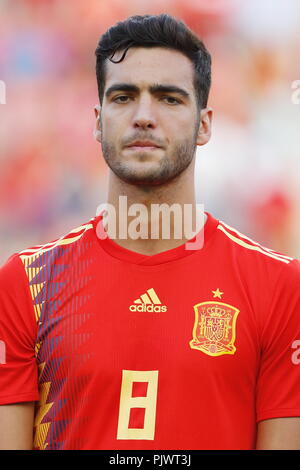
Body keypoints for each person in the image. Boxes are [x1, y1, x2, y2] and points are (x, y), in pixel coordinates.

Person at [0, 14, 300, 451]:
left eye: (169, 99)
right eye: (124, 97)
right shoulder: (25, 283)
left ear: (205, 124)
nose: (144, 116)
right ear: (98, 121)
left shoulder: (278, 286)